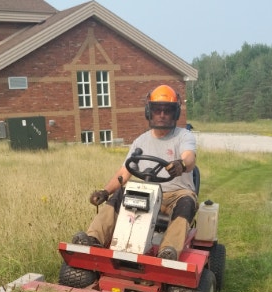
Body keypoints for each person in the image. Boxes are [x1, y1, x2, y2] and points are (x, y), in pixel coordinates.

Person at [72, 84, 197, 260]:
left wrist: (181, 164)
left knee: (187, 202)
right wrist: (106, 191)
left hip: (178, 194)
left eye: (167, 110)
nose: (161, 114)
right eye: (157, 110)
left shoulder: (184, 136)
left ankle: (168, 251)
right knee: (120, 195)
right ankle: (93, 238)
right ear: (149, 112)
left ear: (175, 114)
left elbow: (190, 157)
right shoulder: (140, 142)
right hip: (150, 194)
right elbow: (124, 172)